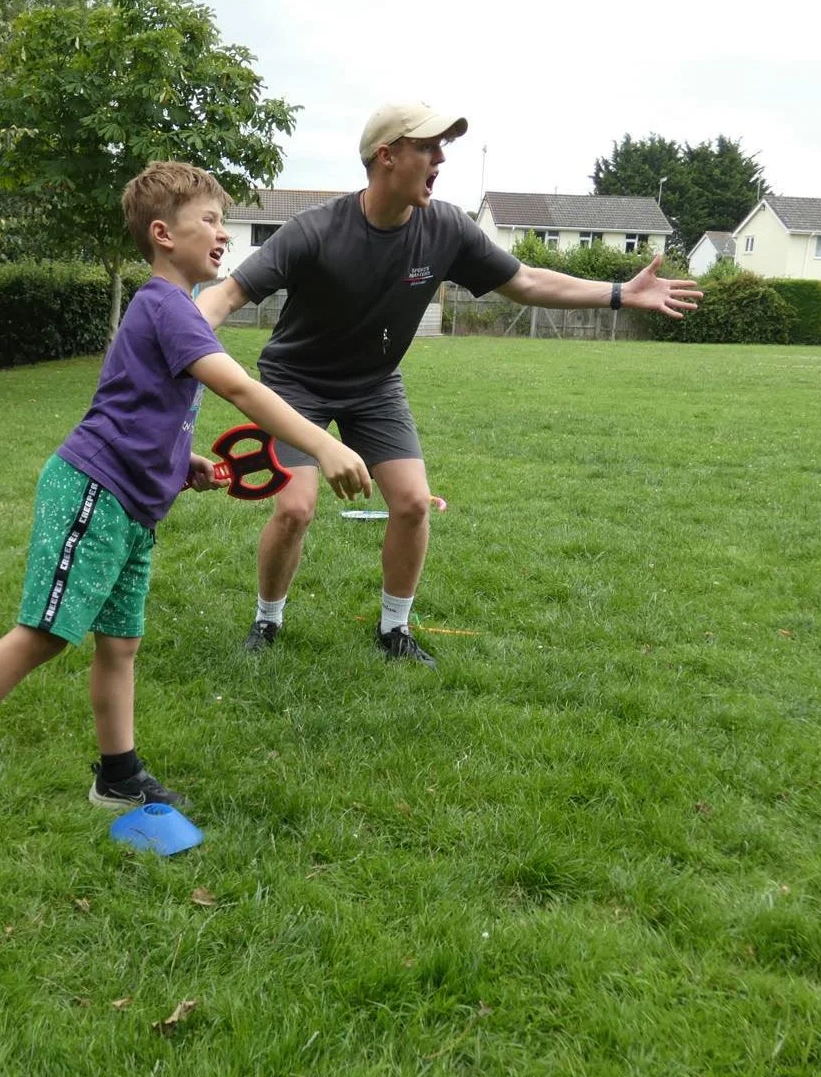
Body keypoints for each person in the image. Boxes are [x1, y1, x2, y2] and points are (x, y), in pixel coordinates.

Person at [0, 161, 372, 844]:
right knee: (47, 632)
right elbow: (239, 389)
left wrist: (185, 463)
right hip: (93, 491)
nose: (222, 234)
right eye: (207, 219)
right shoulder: (165, 304)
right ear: (161, 233)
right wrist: (319, 446)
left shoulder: (169, 309)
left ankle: (117, 773)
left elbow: (138, 403)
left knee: (121, 643)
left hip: (135, 505)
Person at [195, 102, 702, 667]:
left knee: (412, 503)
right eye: (427, 147)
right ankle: (267, 621)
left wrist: (618, 292)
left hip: (374, 384)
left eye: (443, 148)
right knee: (295, 508)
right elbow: (228, 294)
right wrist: (178, 333)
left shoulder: (447, 229)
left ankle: (394, 629)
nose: (440, 159)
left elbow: (526, 280)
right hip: (297, 383)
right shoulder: (314, 230)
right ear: (387, 157)